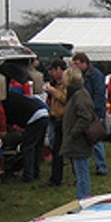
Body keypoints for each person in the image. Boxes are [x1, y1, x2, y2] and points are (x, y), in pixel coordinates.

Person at [61, 66, 96, 200]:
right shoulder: (77, 94)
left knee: (82, 173)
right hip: (77, 139)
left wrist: (73, 133)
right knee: (80, 171)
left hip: (79, 140)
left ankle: (84, 198)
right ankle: (82, 196)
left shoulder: (79, 95)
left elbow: (85, 117)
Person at [71, 52, 108, 175]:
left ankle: (101, 165)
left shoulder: (95, 75)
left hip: (93, 111)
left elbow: (99, 94)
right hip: (84, 109)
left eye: (77, 64)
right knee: (86, 139)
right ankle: (87, 165)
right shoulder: (80, 75)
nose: (75, 66)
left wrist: (97, 112)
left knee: (95, 138)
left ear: (84, 63)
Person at [3, 91, 49, 183]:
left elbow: (8, 119)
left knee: (28, 148)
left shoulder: (4, 102)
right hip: (43, 114)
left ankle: (28, 176)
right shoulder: (11, 95)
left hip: (34, 118)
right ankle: (36, 173)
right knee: (37, 147)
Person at [42, 58, 68, 187]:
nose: (51, 73)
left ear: (59, 69)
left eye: (52, 70)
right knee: (56, 147)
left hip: (63, 119)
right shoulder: (55, 82)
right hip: (55, 117)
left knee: (60, 149)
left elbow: (65, 98)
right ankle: (56, 177)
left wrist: (53, 91)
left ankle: (57, 178)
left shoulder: (66, 83)